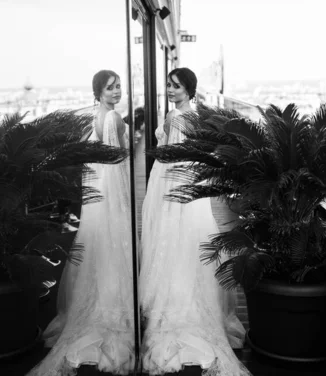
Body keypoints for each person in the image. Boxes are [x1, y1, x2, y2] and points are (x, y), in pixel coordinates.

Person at [139, 67, 251, 375]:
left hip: (173, 185)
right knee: (189, 243)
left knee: (172, 242)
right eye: (170, 85)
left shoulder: (177, 118)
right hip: (191, 187)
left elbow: (166, 157)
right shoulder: (194, 116)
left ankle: (175, 304)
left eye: (176, 86)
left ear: (189, 89)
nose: (171, 89)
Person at [27, 70, 135, 376]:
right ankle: (115, 306)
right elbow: (119, 159)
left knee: (96, 246)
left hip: (95, 196)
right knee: (115, 245)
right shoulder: (113, 119)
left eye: (118, 87)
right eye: (111, 88)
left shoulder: (92, 119)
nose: (116, 92)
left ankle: (92, 304)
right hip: (111, 193)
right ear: (98, 91)